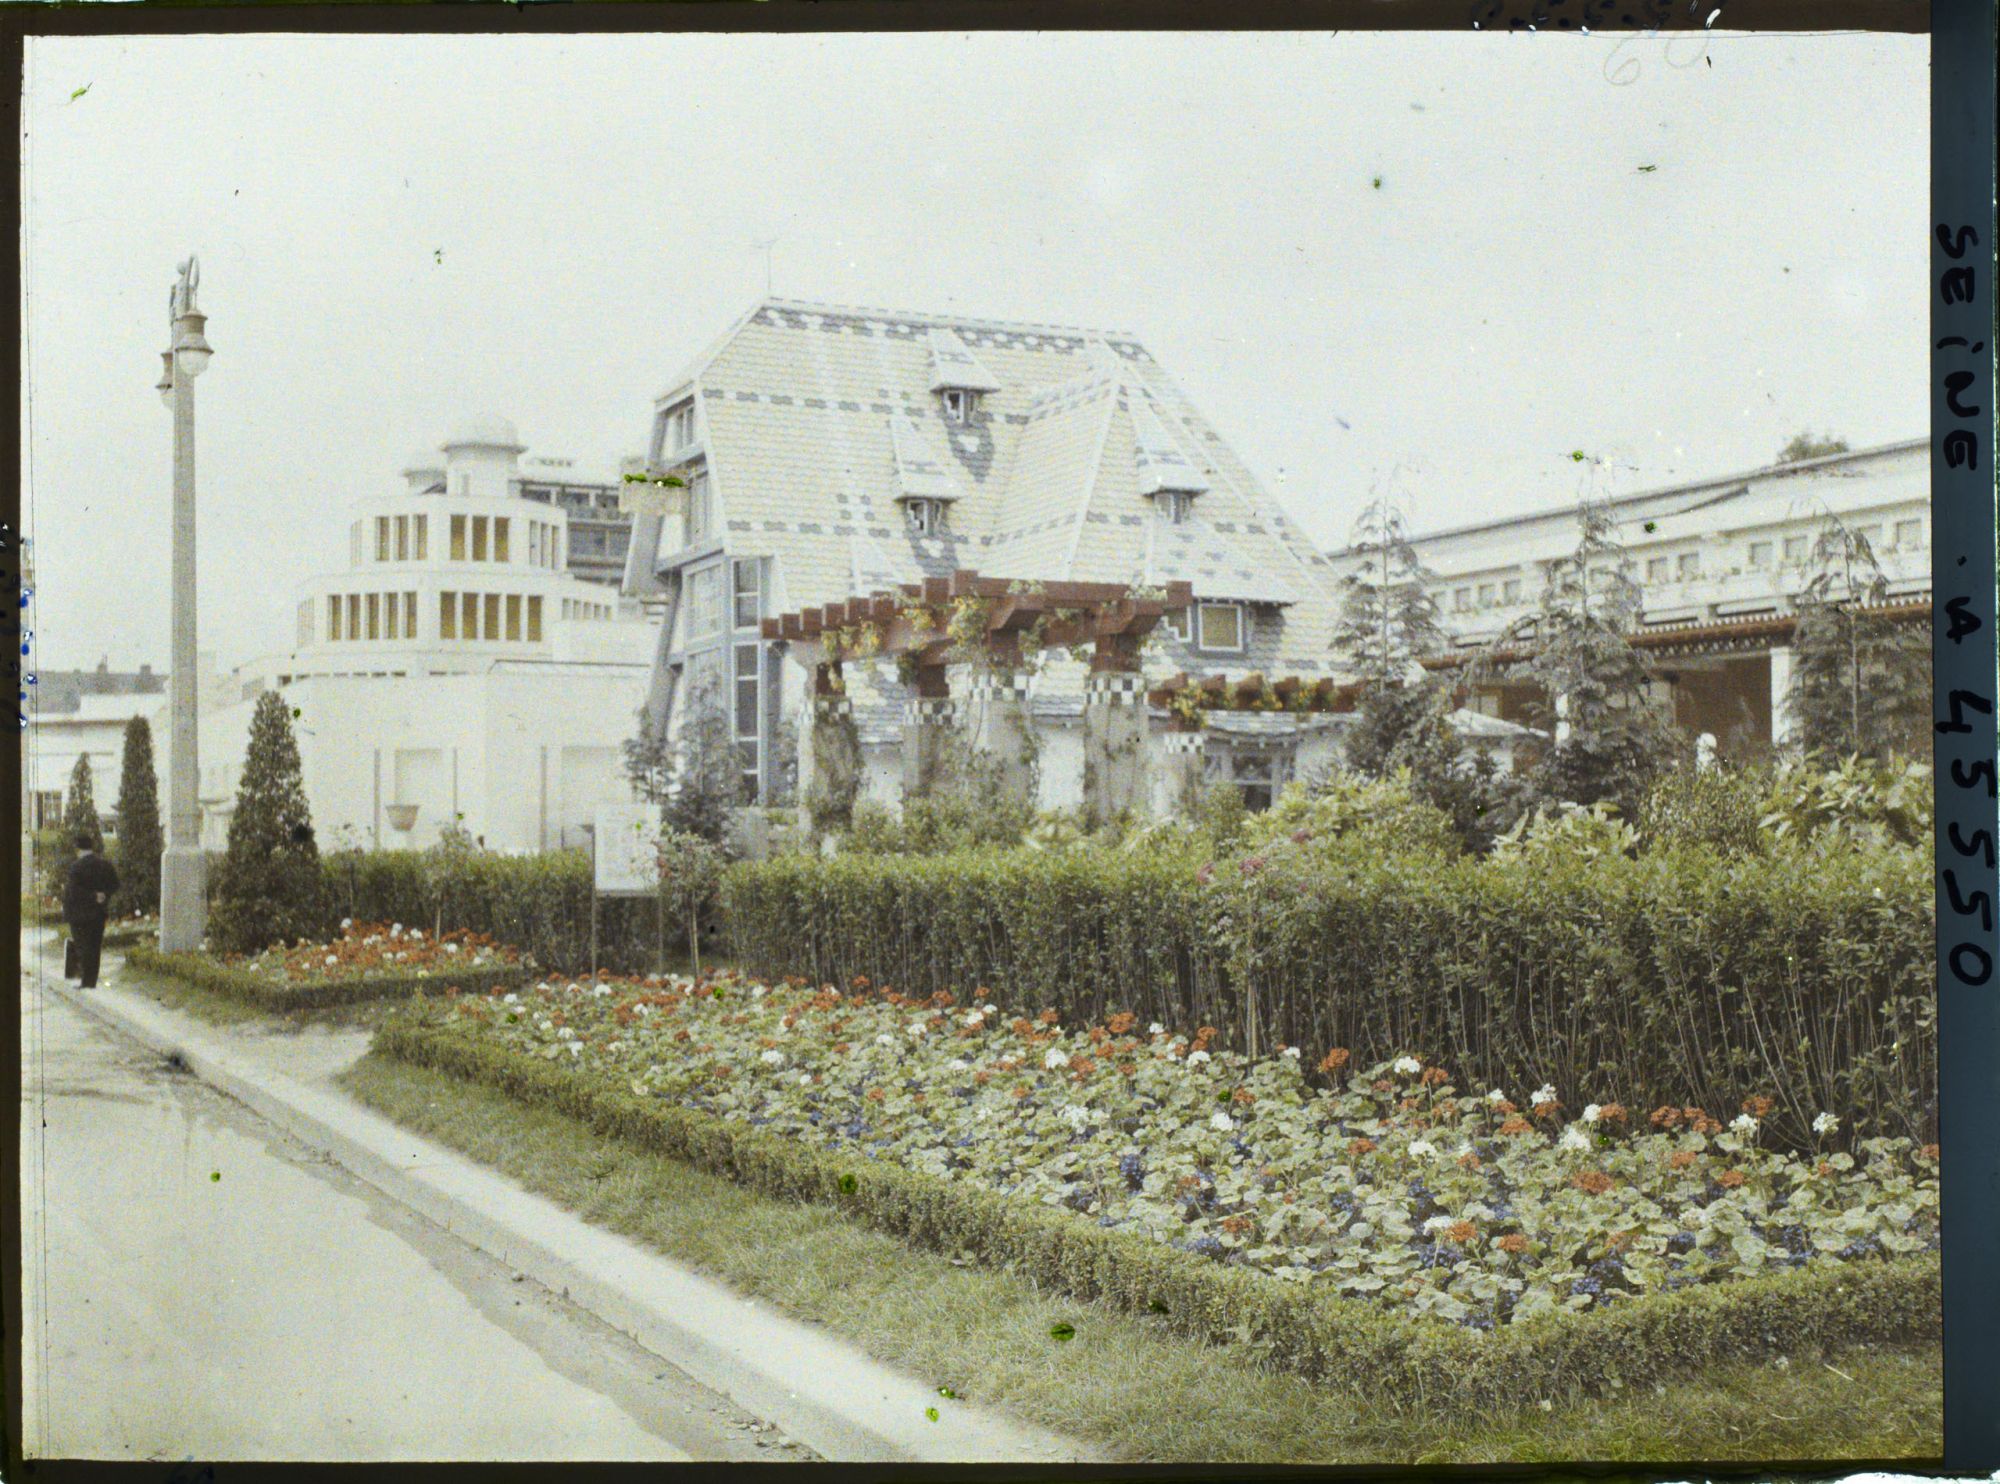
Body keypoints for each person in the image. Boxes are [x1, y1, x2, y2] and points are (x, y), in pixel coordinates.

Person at [62, 831, 120, 989]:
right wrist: (103, 895)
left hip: (79, 915)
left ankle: (85, 981)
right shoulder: (104, 864)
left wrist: (92, 895)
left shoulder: (76, 867)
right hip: (98, 913)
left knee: (82, 946)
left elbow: (74, 891)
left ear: (77, 848)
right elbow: (115, 884)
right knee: (95, 947)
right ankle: (91, 981)